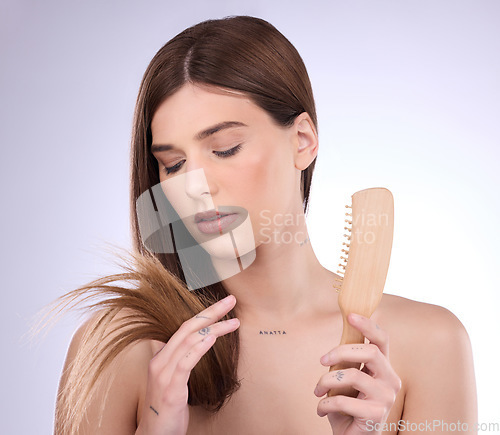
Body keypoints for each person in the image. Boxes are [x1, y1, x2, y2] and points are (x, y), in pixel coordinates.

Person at [54, 15, 477, 434]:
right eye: (173, 164)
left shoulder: (430, 344)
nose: (193, 186)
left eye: (225, 148)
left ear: (302, 141)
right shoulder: (121, 344)